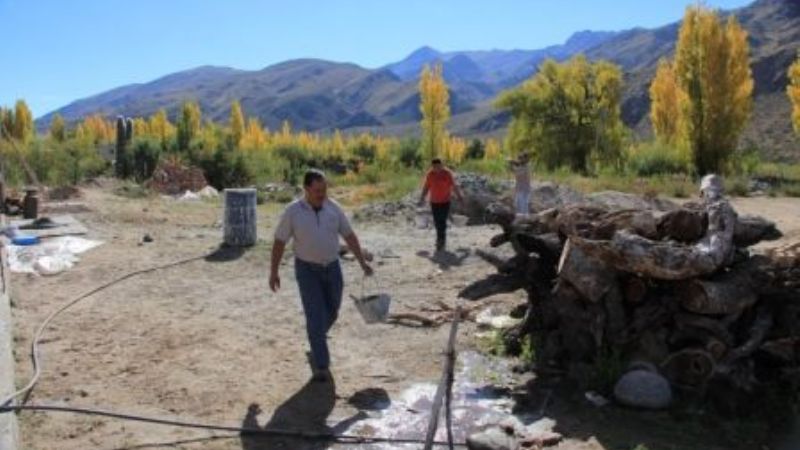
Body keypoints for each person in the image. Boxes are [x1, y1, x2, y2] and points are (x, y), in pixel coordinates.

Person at [269, 169, 373, 382]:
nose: (322, 194)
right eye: (317, 190)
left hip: (333, 267)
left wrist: (362, 262)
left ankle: (315, 338)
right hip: (307, 271)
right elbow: (280, 242)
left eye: (324, 189)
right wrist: (274, 271)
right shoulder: (293, 212)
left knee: (333, 311)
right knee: (315, 316)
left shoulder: (334, 208)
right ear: (306, 189)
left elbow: (349, 235)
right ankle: (322, 365)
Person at [418, 158, 464, 252]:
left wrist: (459, 197)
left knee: (442, 221)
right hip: (434, 202)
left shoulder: (447, 173)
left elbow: (454, 186)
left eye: (438, 166)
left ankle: (441, 241)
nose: (437, 169)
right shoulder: (430, 174)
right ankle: (440, 240)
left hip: (445, 201)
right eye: (434, 167)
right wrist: (422, 198)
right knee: (437, 222)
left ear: (442, 165)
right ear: (432, 166)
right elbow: (426, 187)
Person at [508, 151, 532, 216]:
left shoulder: (526, 167)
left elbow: (518, 174)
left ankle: (525, 221)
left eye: (522, 158)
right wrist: (511, 164)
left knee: (523, 208)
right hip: (519, 189)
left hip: (524, 190)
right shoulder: (522, 166)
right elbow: (515, 170)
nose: (520, 160)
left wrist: (512, 164)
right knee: (518, 206)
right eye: (520, 158)